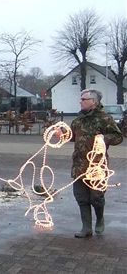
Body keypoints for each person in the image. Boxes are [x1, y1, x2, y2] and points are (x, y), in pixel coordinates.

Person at [68, 89, 123, 238]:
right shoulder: (78, 120)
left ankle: (100, 219)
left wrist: (103, 138)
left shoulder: (104, 118)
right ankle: (86, 228)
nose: (80, 101)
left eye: (84, 99)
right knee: (81, 197)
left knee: (96, 198)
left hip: (96, 167)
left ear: (94, 102)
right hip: (79, 165)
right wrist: (62, 135)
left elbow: (118, 137)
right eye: (81, 99)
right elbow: (72, 136)